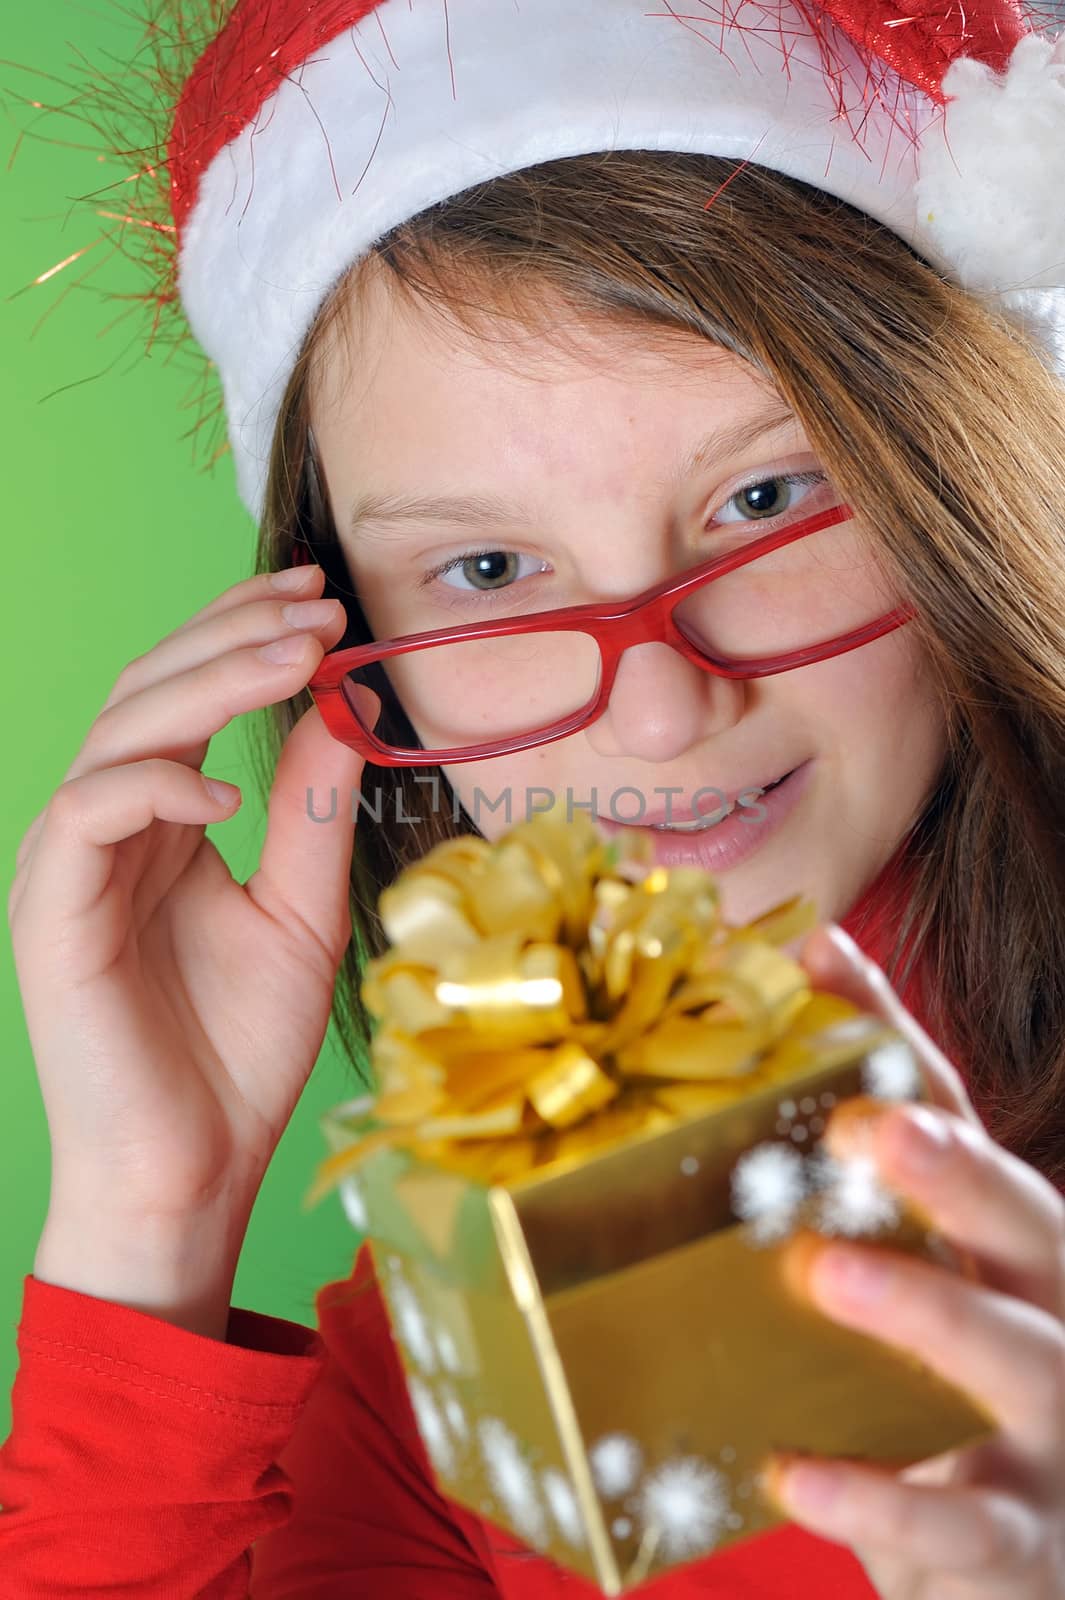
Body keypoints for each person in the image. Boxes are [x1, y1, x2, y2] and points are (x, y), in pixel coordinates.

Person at [3, 0, 1065, 1595]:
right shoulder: (451, 1386)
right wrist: (154, 1221)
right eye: (488, 568)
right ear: (356, 653)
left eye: (764, 496)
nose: (655, 701)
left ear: (953, 474)